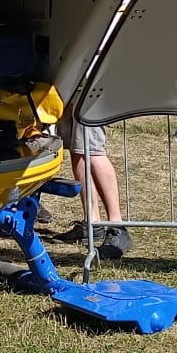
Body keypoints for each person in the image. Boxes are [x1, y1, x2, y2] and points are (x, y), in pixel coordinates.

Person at [64, 107, 131, 260]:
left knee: (94, 152)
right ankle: (93, 223)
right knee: (78, 151)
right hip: (74, 93)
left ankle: (117, 226)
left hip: (92, 96)